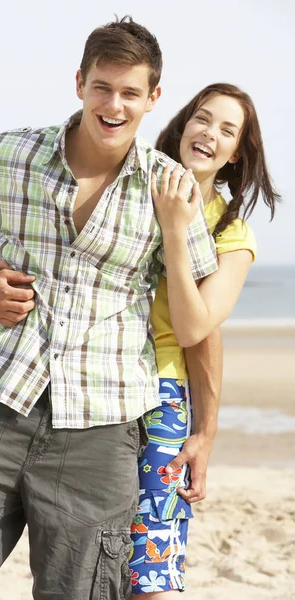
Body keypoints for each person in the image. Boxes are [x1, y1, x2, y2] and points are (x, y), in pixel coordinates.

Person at [0, 17, 218, 600]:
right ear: (79, 83)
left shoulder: (171, 186)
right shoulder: (12, 152)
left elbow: (197, 325)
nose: (113, 104)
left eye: (129, 92)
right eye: (102, 86)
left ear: (152, 99)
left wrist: (204, 431)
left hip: (103, 419)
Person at [129, 83, 280, 596]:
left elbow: (199, 330)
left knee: (153, 564)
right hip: (94, 382)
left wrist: (205, 432)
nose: (209, 134)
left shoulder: (231, 233)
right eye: (202, 118)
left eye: (227, 130)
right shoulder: (130, 179)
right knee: (88, 559)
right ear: (183, 123)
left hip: (163, 393)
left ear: (237, 153)